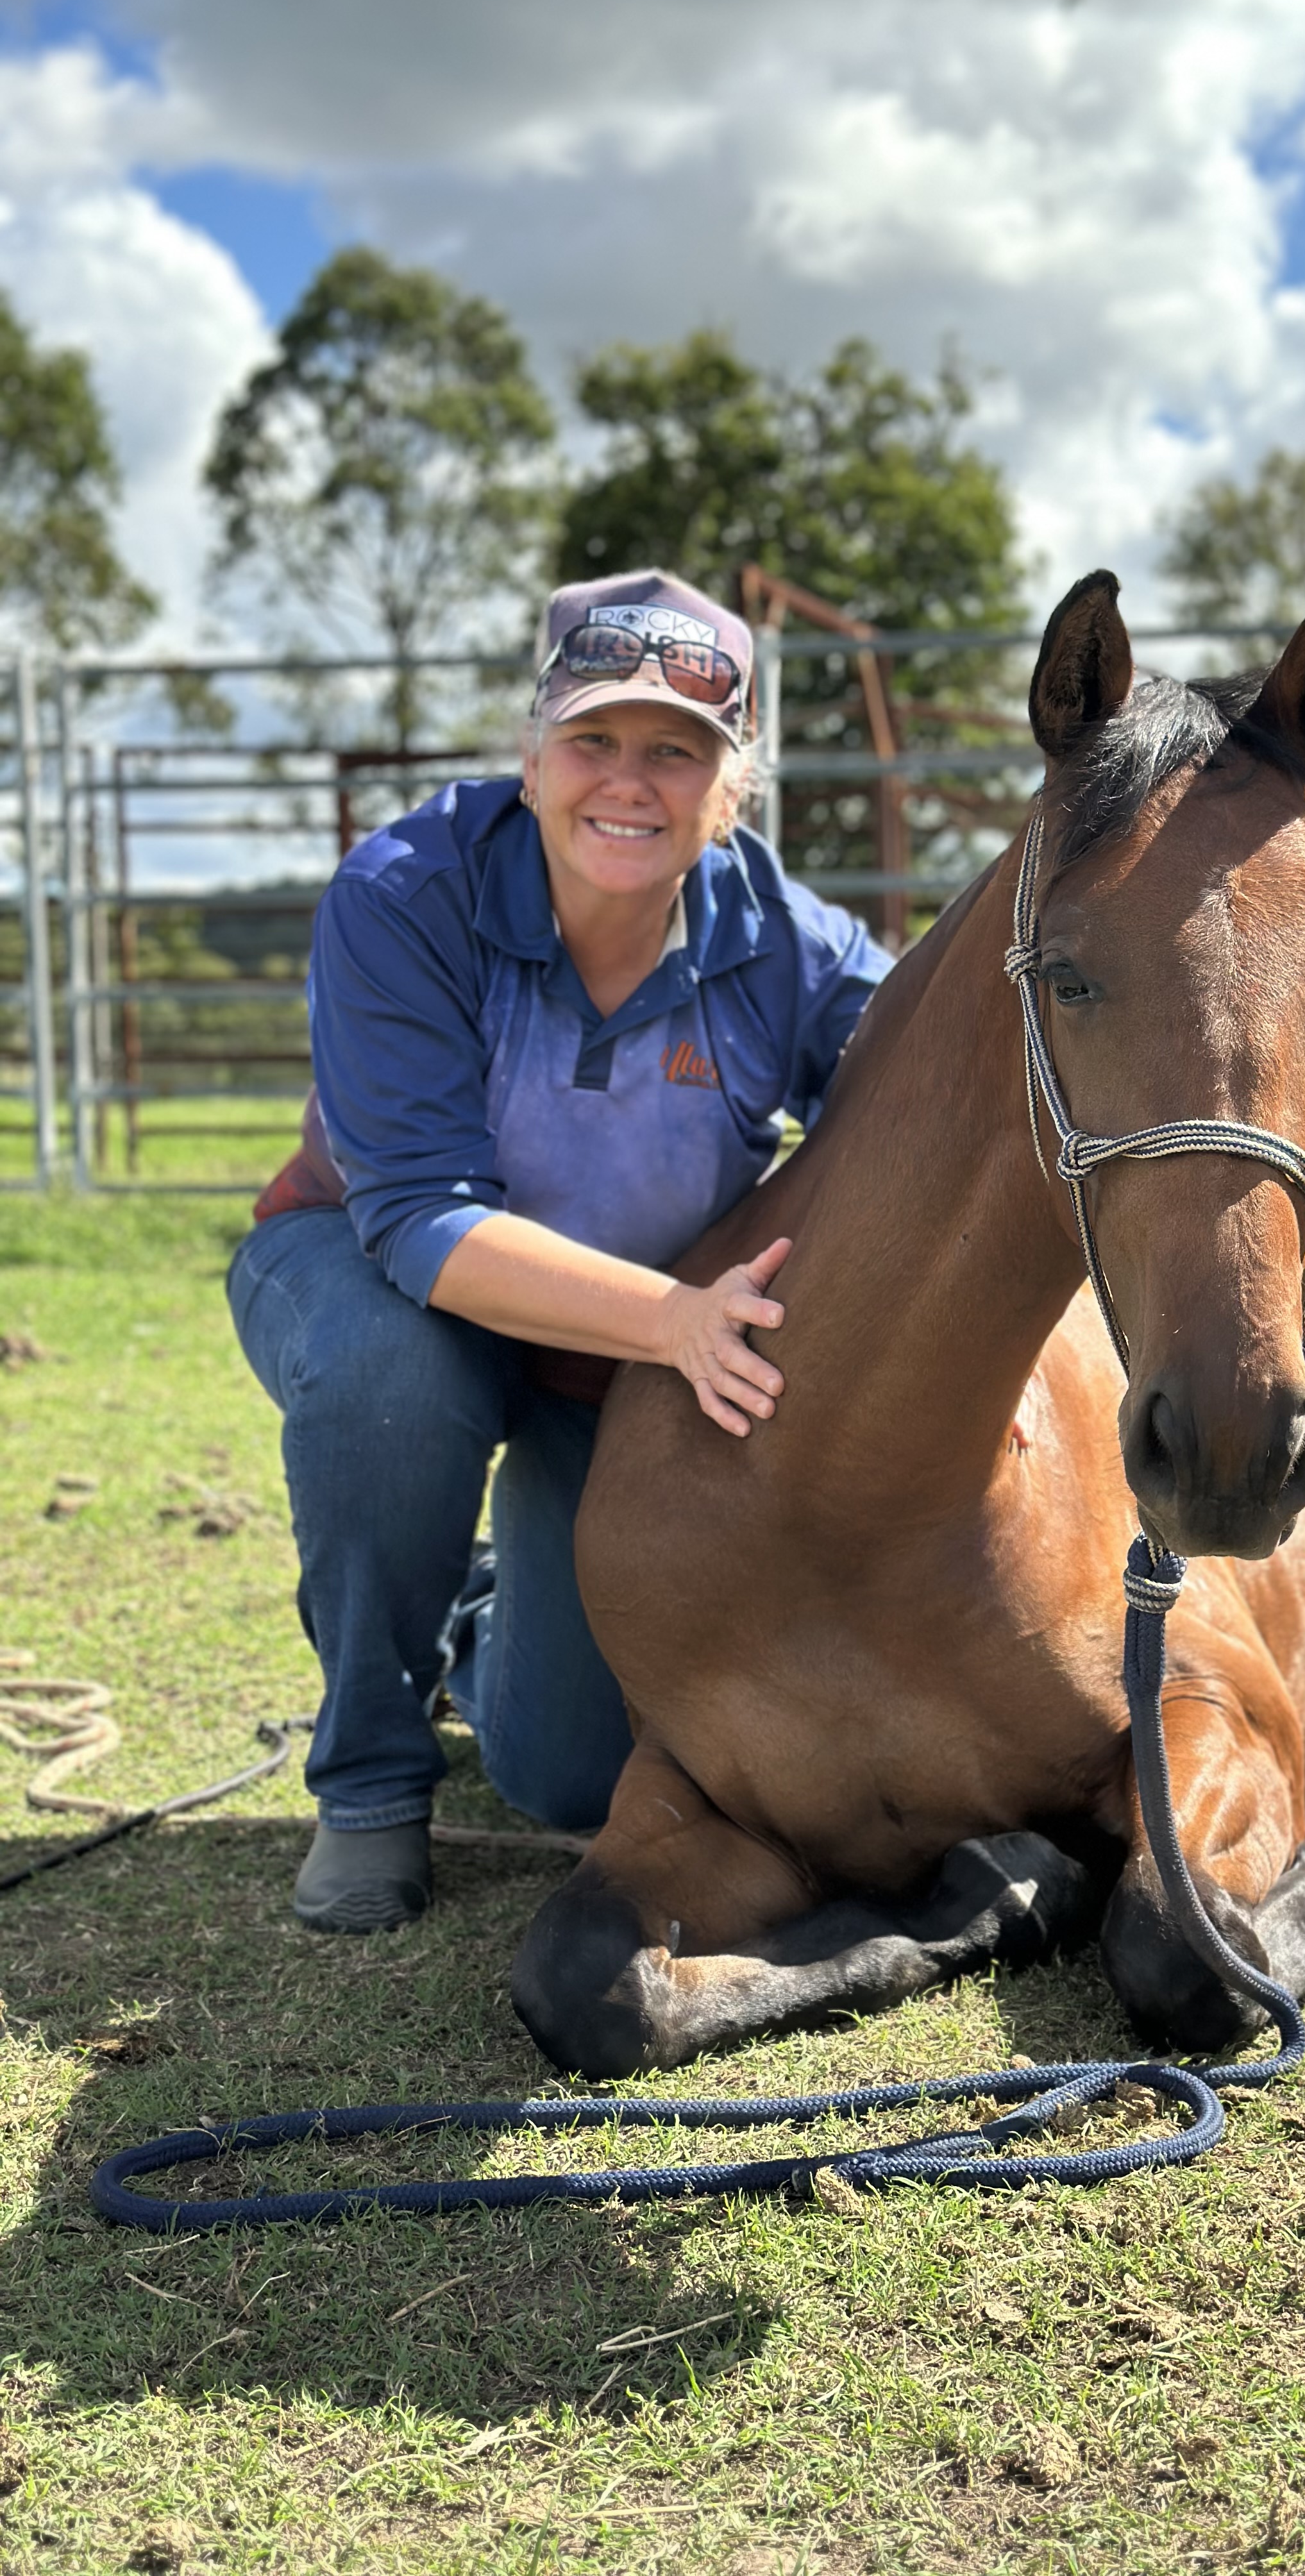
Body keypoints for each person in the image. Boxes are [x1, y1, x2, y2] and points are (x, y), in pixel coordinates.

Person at [229, 569, 895, 1932]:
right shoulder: (405, 893)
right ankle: (370, 1782)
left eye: (677, 752)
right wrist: (678, 1323)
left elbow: (926, 1107)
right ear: (532, 761)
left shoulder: (790, 946)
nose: (628, 783)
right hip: (370, 1268)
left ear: (734, 790)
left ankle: (477, 1624)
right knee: (391, 1380)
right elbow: (416, 1218)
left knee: (569, 1772)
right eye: (594, 739)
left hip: (622, 1345)